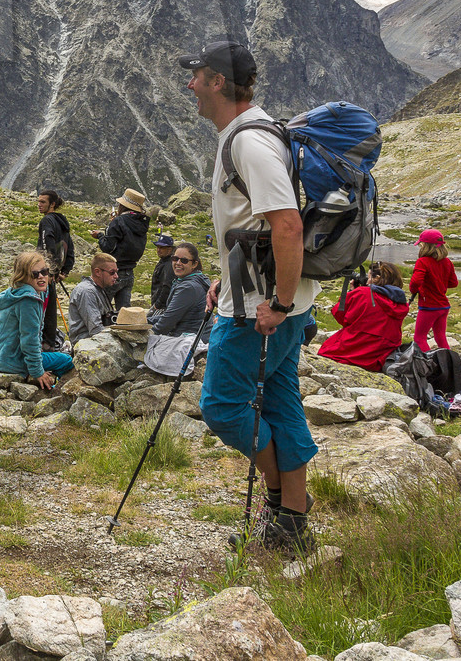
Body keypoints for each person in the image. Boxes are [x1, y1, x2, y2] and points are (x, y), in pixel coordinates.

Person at [182, 39, 319, 553]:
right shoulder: (253, 134)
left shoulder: (248, 141)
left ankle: (280, 496)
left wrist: (278, 305)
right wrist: (228, 274)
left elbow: (286, 224)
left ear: (218, 81)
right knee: (282, 403)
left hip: (261, 311)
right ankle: (293, 523)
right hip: (270, 300)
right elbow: (253, 224)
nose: (189, 84)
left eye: (196, 75)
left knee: (221, 405)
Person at [0, 251, 75, 390]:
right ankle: (57, 391)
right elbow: (29, 340)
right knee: (65, 360)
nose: (41, 276)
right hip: (7, 358)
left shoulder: (18, 292)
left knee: (48, 356)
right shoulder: (29, 301)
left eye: (44, 271)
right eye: (35, 274)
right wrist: (37, 371)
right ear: (23, 277)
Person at [318, 262, 409, 372]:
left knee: (326, 349)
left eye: (369, 277)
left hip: (353, 350)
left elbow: (340, 316)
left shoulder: (362, 293)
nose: (366, 280)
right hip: (380, 357)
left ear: (377, 278)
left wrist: (353, 291)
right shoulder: (401, 303)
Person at [144, 241, 213, 377]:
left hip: (189, 336)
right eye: (175, 259)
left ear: (194, 264)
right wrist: (145, 320)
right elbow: (170, 314)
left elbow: (168, 321)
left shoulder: (188, 287)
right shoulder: (191, 281)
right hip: (201, 335)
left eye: (184, 260)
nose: (178, 263)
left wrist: (147, 335)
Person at [97, 189, 150, 314]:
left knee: (103, 309)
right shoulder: (141, 223)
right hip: (129, 272)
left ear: (122, 205)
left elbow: (107, 247)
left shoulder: (118, 221)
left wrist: (100, 236)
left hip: (113, 272)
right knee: (125, 312)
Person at [35, 190, 75, 350]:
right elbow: (70, 249)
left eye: (43, 202)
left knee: (40, 309)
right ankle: (49, 344)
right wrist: (64, 271)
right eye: (38, 201)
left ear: (52, 204)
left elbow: (47, 244)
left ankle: (41, 346)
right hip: (53, 274)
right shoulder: (63, 223)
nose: (39, 204)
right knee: (50, 310)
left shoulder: (47, 221)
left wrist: (48, 271)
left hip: (44, 273)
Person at [410, 230, 459, 352]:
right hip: (443, 306)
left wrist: (415, 290)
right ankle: (448, 363)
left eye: (421, 245)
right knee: (440, 337)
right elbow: (454, 283)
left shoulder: (422, 262)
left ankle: (428, 364)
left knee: (419, 338)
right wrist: (439, 284)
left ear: (426, 246)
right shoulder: (447, 262)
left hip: (429, 306)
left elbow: (415, 282)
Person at [67, 252, 119, 343]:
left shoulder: (99, 288)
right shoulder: (87, 291)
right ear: (97, 272)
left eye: (116, 272)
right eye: (112, 272)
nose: (116, 276)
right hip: (86, 344)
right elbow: (95, 330)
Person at [149, 234, 177, 315]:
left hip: (162, 307)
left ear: (169, 249)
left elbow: (167, 287)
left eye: (162, 248)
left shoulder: (169, 265)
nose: (158, 250)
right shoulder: (163, 262)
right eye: (157, 247)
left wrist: (157, 305)